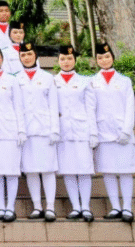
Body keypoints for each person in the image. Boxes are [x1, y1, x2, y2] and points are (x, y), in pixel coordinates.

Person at [91, 43, 134, 223]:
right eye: (100, 58)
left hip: (122, 133)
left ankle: (127, 208)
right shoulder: (92, 82)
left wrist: (127, 130)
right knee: (107, 171)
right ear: (96, 60)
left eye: (107, 57)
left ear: (113, 58)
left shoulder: (124, 81)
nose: (104, 60)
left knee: (125, 171)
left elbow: (130, 107)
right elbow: (91, 109)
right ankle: (115, 206)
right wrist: (93, 132)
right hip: (103, 133)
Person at [17, 41, 59, 222]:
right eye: (23, 55)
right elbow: (16, 107)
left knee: (48, 170)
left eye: (29, 54)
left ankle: (50, 206)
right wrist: (19, 130)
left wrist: (55, 129)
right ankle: (37, 206)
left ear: (35, 55)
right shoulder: (16, 79)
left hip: (45, 129)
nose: (27, 57)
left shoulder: (48, 78)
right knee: (31, 170)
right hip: (26, 131)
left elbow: (53, 105)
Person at [0, 44, 25, 223]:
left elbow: (18, 105)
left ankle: (11, 207)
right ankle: (1, 207)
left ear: (2, 59)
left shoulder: (11, 79)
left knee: (11, 171)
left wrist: (21, 129)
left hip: (10, 130)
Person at [54, 45, 96, 222]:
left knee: (84, 169)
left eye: (69, 59)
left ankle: (85, 207)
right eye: (63, 59)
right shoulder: (53, 81)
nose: (66, 62)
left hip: (82, 130)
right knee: (69, 170)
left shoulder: (85, 81)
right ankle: (75, 207)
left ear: (75, 61)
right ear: (58, 61)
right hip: (63, 131)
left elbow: (91, 108)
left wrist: (93, 132)